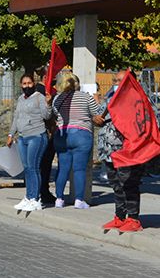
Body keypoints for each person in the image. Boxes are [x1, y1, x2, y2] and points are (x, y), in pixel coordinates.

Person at [98, 70, 145, 232]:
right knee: (116, 185)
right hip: (109, 150)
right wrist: (96, 118)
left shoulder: (137, 99)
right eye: (115, 80)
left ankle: (133, 218)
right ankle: (120, 216)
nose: (116, 83)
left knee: (129, 184)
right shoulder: (110, 96)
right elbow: (100, 116)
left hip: (127, 151)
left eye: (120, 80)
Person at [52, 73, 102, 209]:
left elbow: (55, 114)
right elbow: (97, 113)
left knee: (63, 169)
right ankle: (79, 200)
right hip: (81, 134)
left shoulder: (57, 98)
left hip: (62, 135)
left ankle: (59, 199)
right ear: (77, 84)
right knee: (79, 169)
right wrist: (96, 100)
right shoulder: (85, 97)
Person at [8, 74, 52, 211]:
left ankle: (36, 199)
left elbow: (47, 115)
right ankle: (28, 197)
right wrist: (11, 133)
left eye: (29, 83)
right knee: (27, 168)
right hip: (22, 137)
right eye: (24, 83)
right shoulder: (21, 99)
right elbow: (17, 117)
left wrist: (48, 104)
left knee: (33, 167)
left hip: (36, 136)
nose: (27, 86)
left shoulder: (40, 97)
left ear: (34, 83)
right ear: (21, 85)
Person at [35, 65, 58, 204]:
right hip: (44, 132)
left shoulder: (48, 90)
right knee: (42, 164)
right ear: (45, 77)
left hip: (48, 132)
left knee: (44, 164)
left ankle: (42, 190)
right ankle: (41, 191)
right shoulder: (40, 92)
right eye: (53, 76)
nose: (55, 79)